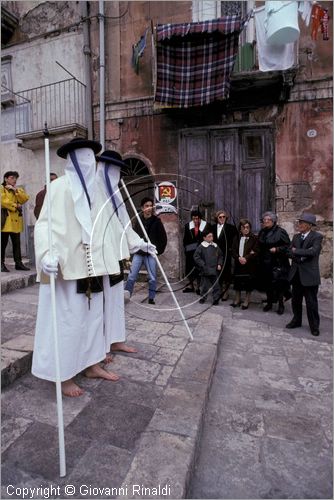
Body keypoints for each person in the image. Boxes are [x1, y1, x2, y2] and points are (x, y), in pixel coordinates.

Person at [32, 138, 124, 397]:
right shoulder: (59, 188)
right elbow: (44, 224)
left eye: (92, 158)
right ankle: (64, 376)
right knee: (69, 322)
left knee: (94, 318)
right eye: (83, 157)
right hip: (67, 267)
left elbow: (109, 226)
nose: (89, 162)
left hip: (93, 267)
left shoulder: (98, 191)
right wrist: (47, 254)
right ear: (72, 160)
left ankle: (91, 364)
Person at [95, 150, 157, 354]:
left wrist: (142, 244)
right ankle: (100, 348)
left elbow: (125, 227)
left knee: (115, 302)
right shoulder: (94, 192)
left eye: (119, 171)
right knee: (100, 305)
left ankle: (116, 340)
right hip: (99, 259)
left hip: (116, 258)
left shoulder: (116, 194)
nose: (117, 175)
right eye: (115, 170)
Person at [285, 213, 323, 336]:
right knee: (296, 301)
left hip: (309, 276)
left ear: (309, 225)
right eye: (299, 222)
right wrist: (297, 253)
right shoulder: (296, 237)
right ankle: (296, 320)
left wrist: (297, 252)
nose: (299, 224)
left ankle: (314, 326)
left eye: (302, 223)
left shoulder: (317, 237)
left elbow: (313, 251)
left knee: (311, 303)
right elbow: (288, 251)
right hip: (296, 274)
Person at [124, 196, 167, 305]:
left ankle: (151, 298)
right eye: (146, 206)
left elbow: (163, 238)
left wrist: (158, 251)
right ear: (142, 208)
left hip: (150, 254)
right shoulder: (138, 221)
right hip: (139, 253)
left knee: (152, 277)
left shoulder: (157, 221)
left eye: (150, 206)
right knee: (132, 276)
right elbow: (133, 236)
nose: (149, 208)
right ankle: (126, 296)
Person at [257, 211, 291, 315]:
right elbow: (260, 245)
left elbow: (287, 246)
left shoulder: (280, 232)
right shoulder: (262, 232)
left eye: (268, 220)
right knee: (268, 284)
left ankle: (281, 305)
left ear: (273, 221)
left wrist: (277, 249)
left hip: (278, 262)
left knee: (279, 285)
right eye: (264, 220)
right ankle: (270, 303)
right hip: (265, 262)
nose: (266, 221)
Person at [1, 171, 30, 272]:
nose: (14, 180)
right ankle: (1, 264)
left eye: (15, 178)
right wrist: (15, 205)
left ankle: (18, 263)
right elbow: (3, 202)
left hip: (16, 222)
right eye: (12, 178)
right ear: (6, 179)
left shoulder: (17, 189)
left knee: (16, 243)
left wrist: (15, 190)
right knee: (3, 244)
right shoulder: (2, 189)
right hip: (5, 221)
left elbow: (25, 198)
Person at [231, 218, 259, 309]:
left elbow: (255, 251)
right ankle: (237, 299)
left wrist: (246, 258)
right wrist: (239, 258)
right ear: (240, 229)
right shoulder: (236, 237)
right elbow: (233, 251)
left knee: (248, 283)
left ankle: (247, 300)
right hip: (239, 263)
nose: (246, 229)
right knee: (238, 282)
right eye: (243, 228)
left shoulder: (254, 238)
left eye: (247, 227)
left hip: (249, 264)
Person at [212, 209, 238, 300]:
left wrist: (231, 249)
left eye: (224, 217)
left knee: (226, 272)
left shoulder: (231, 228)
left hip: (226, 254)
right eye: (220, 217)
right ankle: (218, 290)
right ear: (217, 218)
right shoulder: (213, 227)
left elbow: (236, 240)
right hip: (215, 254)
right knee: (217, 272)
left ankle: (225, 291)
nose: (222, 218)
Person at [182, 209, 210, 293]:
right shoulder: (188, 226)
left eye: (197, 219)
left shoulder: (206, 226)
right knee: (189, 269)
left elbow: (209, 238)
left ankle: (198, 287)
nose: (195, 221)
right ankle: (191, 286)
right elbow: (185, 239)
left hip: (201, 251)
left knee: (199, 269)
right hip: (190, 251)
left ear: (200, 218)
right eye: (193, 219)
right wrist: (186, 249)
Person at [193, 228, 223, 305]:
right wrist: (203, 264)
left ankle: (216, 299)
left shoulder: (215, 246)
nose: (211, 238)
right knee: (204, 286)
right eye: (209, 236)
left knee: (216, 286)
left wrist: (219, 264)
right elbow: (196, 256)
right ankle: (203, 297)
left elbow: (220, 255)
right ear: (204, 238)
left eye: (212, 236)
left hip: (214, 270)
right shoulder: (201, 247)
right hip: (205, 270)